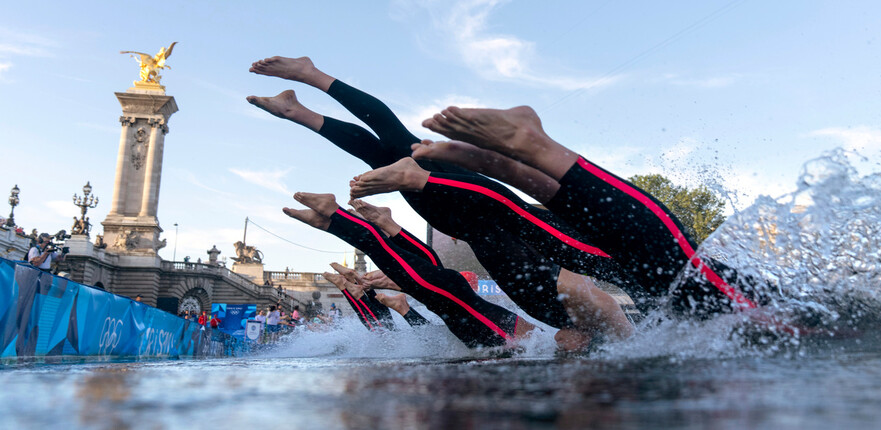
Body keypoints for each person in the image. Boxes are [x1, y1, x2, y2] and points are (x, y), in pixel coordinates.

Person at [249, 56, 633, 344]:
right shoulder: (594, 300)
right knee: (403, 147)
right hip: (498, 218)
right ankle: (311, 77)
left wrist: (570, 341)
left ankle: (296, 110)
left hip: (478, 230)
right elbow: (592, 296)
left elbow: (568, 329)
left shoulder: (564, 310)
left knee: (387, 156)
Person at [405, 104, 769, 320]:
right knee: (680, 271)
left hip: (646, 289)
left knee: (667, 274)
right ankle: (536, 147)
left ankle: (505, 159)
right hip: (757, 305)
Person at [285, 191, 535, 349]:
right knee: (382, 252)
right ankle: (335, 214)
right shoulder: (535, 342)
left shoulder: (519, 339)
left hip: (455, 301)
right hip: (457, 295)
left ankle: (346, 223)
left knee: (399, 263)